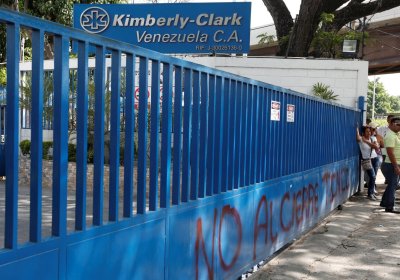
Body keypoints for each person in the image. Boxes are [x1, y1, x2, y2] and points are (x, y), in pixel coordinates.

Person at [380, 117, 400, 213]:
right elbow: (390, 152)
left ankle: (385, 202)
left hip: (392, 164)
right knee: (393, 185)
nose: (399, 126)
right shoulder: (390, 136)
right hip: (391, 165)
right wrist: (396, 166)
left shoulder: (395, 135)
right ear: (391, 124)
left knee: (393, 185)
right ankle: (389, 206)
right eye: (398, 124)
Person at [356, 126, 379, 200]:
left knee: (374, 177)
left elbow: (376, 147)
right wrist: (356, 129)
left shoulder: (372, 138)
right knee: (372, 176)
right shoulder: (361, 139)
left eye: (369, 131)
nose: (369, 133)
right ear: (363, 132)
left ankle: (371, 192)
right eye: (367, 131)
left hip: (375, 159)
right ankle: (370, 194)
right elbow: (357, 137)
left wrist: (366, 141)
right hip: (367, 160)